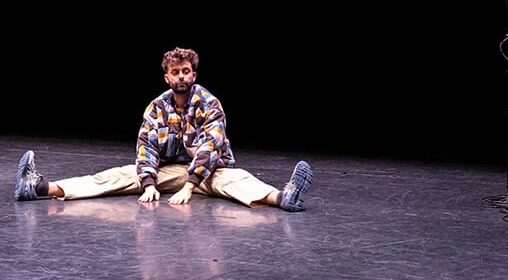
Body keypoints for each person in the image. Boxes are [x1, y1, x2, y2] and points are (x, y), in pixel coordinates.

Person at [14, 47, 313, 212]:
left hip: (208, 173)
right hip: (167, 171)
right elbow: (146, 147)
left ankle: (284, 198)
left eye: (186, 71)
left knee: (237, 180)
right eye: (175, 72)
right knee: (118, 175)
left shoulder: (209, 103)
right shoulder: (157, 107)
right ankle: (39, 188)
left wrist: (189, 186)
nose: (181, 76)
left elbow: (211, 146)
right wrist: (149, 184)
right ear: (167, 77)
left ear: (193, 75)